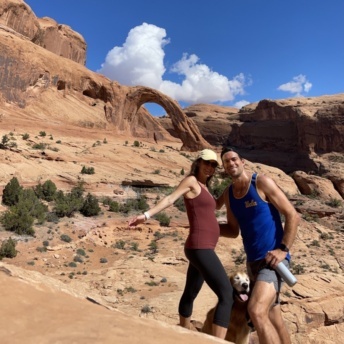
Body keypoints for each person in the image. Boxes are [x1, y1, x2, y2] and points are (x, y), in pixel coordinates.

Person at [128, 149, 234, 339]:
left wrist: (229, 190)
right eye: (207, 163)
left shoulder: (204, 187)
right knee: (227, 294)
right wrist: (146, 215)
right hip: (200, 247)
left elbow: (215, 206)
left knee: (191, 292)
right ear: (198, 162)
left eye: (213, 165)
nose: (210, 167)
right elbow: (170, 198)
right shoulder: (191, 181)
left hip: (201, 247)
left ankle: (182, 334)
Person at [218, 146, 300, 344]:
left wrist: (283, 250)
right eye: (226, 162)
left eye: (234, 159)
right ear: (224, 168)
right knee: (274, 318)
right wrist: (207, 227)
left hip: (272, 261)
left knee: (256, 311)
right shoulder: (230, 194)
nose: (231, 163)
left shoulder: (260, 182)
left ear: (242, 161)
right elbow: (232, 230)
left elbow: (292, 215)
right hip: (252, 263)